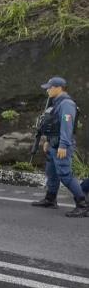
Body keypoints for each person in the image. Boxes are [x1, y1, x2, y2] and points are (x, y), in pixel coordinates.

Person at [31, 77, 87, 217]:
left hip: (61, 145)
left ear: (58, 88)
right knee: (52, 173)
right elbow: (53, 125)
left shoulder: (67, 104)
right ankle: (50, 200)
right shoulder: (56, 103)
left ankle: (83, 205)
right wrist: (48, 141)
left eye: (50, 87)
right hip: (53, 144)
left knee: (65, 174)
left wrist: (63, 145)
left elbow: (66, 126)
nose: (48, 90)